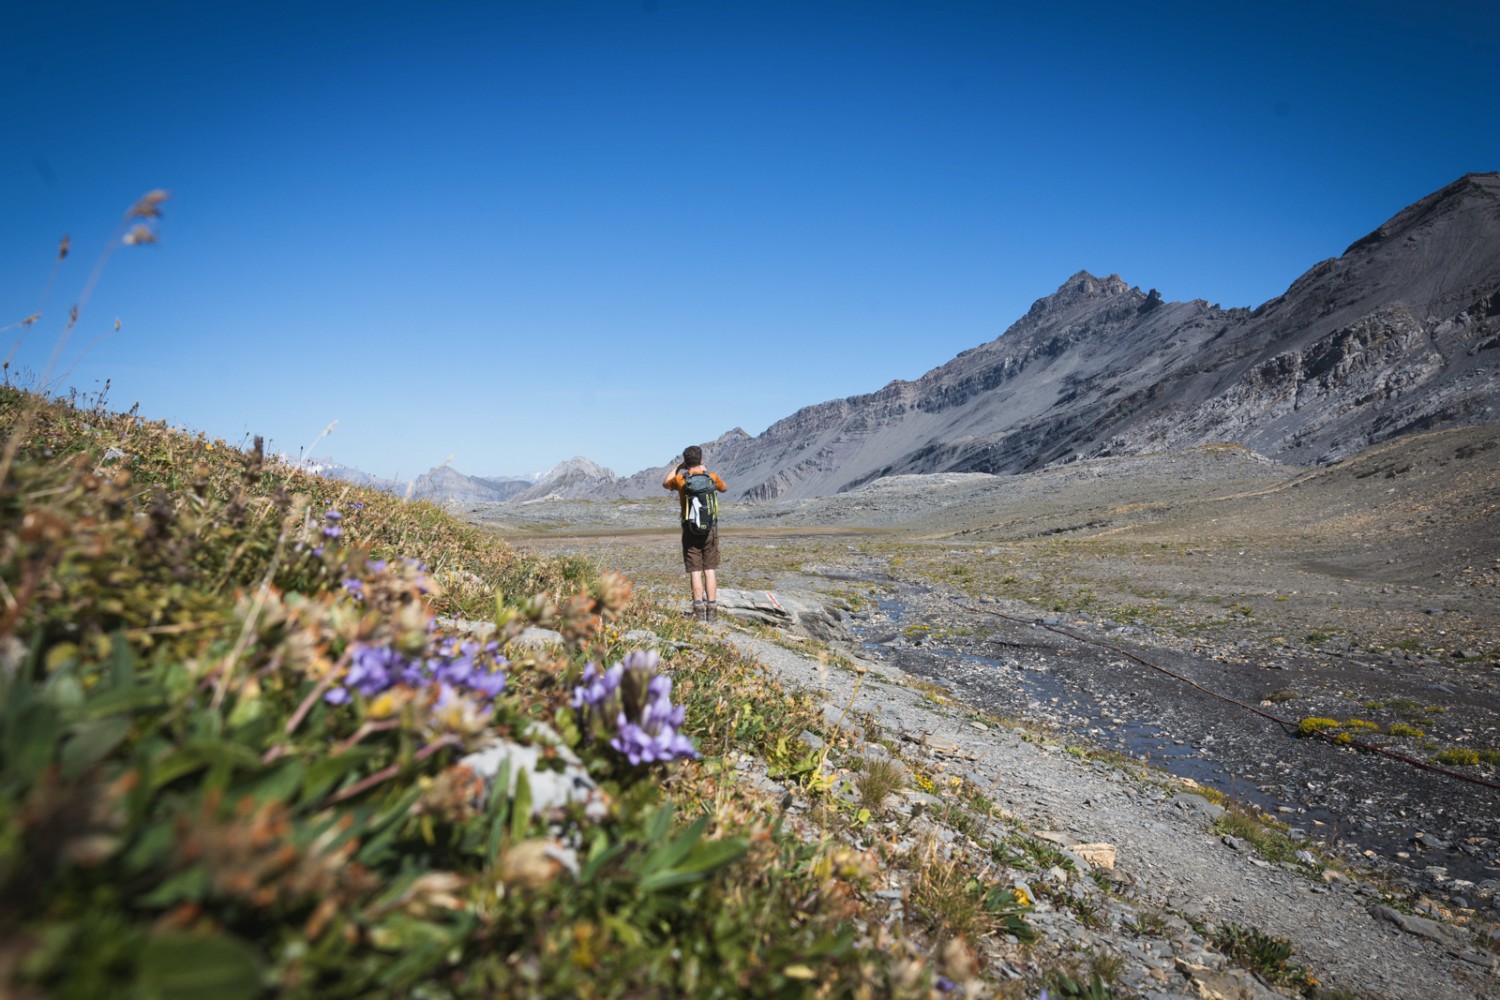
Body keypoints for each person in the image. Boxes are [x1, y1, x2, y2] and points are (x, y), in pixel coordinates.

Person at [662, 445, 728, 622]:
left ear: (686, 461)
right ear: (701, 459)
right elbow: (724, 488)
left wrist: (678, 467)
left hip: (690, 531)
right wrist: (706, 472)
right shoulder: (711, 478)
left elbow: (664, 483)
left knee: (695, 571)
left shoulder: (680, 480)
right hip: (710, 530)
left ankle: (698, 611)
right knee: (710, 570)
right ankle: (712, 610)